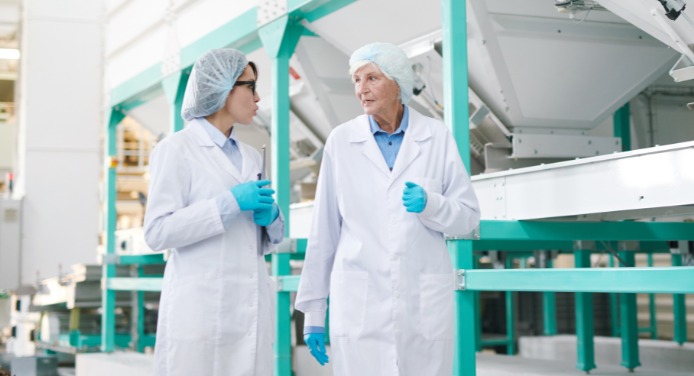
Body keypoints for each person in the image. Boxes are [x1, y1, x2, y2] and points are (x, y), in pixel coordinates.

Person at [294, 42, 481, 375]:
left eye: (371, 78)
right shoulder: (341, 141)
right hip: (360, 301)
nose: (360, 90)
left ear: (397, 82)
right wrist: (312, 313)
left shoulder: (435, 136)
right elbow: (324, 231)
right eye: (356, 80)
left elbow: (467, 218)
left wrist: (432, 205)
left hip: (423, 303)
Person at [143, 48, 284, 376]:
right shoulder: (176, 149)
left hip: (248, 309)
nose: (258, 96)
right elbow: (157, 232)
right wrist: (229, 203)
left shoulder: (251, 156)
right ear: (223, 89)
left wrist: (272, 221)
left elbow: (258, 244)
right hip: (200, 312)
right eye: (250, 87)